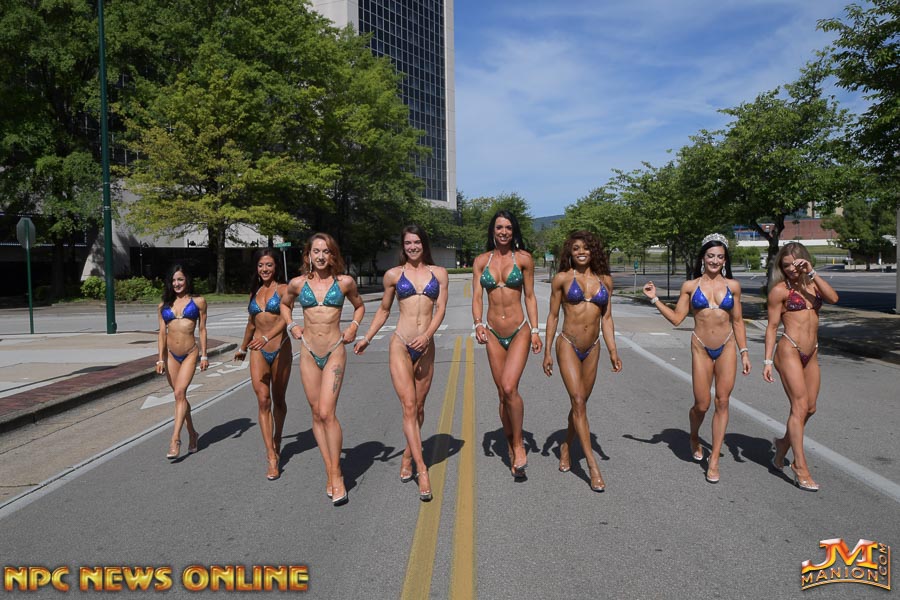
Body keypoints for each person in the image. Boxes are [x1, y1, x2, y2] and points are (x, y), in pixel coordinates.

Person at [643, 233, 751, 484]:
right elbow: (676, 319)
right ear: (703, 257)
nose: (715, 261)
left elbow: (737, 321)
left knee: (722, 401)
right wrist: (655, 299)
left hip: (727, 347)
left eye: (720, 257)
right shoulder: (690, 287)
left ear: (725, 260)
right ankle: (694, 436)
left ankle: (714, 460)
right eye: (711, 256)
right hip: (701, 347)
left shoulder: (733, 286)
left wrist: (744, 352)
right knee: (702, 404)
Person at [354, 225, 449, 502]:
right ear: (403, 246)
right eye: (408, 243)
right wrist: (367, 338)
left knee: (419, 408)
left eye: (417, 242)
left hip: (426, 347)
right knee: (408, 406)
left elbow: (441, 308)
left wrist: (427, 336)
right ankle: (422, 469)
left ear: (424, 244)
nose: (413, 247)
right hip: (400, 344)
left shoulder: (439, 273)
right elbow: (384, 310)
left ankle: (408, 455)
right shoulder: (393, 275)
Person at [280, 233, 364, 506]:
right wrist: (291, 325)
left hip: (334, 351)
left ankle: (337, 474)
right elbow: (284, 304)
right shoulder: (297, 284)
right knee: (316, 413)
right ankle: (330, 469)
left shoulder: (344, 283)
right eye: (315, 251)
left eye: (325, 251)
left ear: (332, 255)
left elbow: (359, 306)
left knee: (327, 412)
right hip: (307, 352)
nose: (320, 256)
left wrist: (353, 327)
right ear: (307, 255)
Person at [542, 231, 622, 492]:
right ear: (570, 252)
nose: (581, 252)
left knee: (581, 404)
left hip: (593, 347)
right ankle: (592, 467)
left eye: (585, 248)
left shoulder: (605, 281)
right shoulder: (562, 279)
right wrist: (547, 351)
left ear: (593, 251)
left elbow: (606, 318)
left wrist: (613, 350)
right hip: (568, 344)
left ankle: (566, 446)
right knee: (577, 401)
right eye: (576, 248)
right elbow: (553, 316)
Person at [472, 210, 542, 478]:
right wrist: (478, 323)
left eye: (508, 228)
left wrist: (535, 330)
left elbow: (530, 296)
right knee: (502, 393)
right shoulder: (481, 261)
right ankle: (510, 446)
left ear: (514, 232)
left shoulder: (523, 259)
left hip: (518, 330)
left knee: (510, 386)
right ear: (493, 230)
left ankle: (519, 443)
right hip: (492, 332)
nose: (504, 232)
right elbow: (477, 297)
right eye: (499, 227)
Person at [763, 242, 838, 492]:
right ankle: (800, 466)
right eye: (786, 266)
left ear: (804, 261)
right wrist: (767, 361)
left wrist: (811, 272)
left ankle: (782, 446)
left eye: (795, 264)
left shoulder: (814, 285)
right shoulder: (779, 291)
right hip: (789, 350)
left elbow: (834, 298)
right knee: (799, 406)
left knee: (811, 408)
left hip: (812, 351)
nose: (791, 269)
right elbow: (772, 327)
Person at [235, 249, 291, 481]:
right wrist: (242, 348)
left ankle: (277, 438)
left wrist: (268, 337)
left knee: (279, 400)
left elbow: (285, 319)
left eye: (268, 265)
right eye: (260, 265)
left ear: (276, 266)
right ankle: (271, 456)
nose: (264, 269)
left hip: (280, 349)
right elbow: (251, 324)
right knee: (263, 400)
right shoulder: (255, 292)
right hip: (257, 350)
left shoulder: (284, 289)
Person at [156, 264, 208, 460]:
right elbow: (162, 333)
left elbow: (202, 329)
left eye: (180, 279)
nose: (177, 283)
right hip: (170, 356)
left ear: (187, 280)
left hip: (190, 354)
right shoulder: (163, 305)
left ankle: (175, 439)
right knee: (180, 398)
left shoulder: (199, 302)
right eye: (173, 280)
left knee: (179, 393)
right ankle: (193, 434)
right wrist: (160, 359)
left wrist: (204, 355)